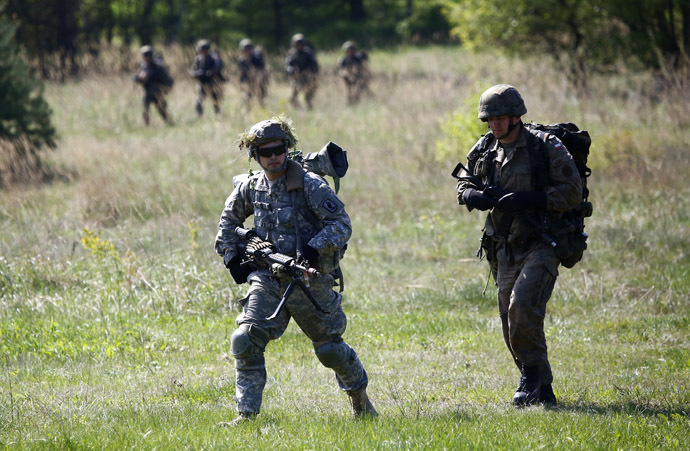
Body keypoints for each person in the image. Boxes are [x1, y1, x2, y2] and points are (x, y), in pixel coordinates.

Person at [215, 117, 377, 426]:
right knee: (244, 340)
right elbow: (227, 224)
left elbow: (341, 224)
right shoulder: (250, 186)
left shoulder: (309, 185)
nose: (273, 156)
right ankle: (246, 416)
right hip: (268, 277)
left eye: (279, 149)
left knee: (330, 349)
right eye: (266, 152)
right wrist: (233, 259)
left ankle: (360, 401)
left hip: (307, 279)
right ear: (255, 156)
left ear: (287, 149)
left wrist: (314, 249)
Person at [456, 85, 582, 406]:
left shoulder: (545, 147)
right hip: (503, 245)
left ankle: (530, 378)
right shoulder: (486, 147)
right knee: (511, 321)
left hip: (542, 240)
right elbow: (464, 181)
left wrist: (532, 199)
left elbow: (572, 191)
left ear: (516, 116)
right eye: (489, 119)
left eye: (500, 118)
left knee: (523, 305)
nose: (494, 125)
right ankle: (541, 387)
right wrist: (474, 196)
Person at [134, 45, 173, 126]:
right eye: (144, 56)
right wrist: (138, 78)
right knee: (145, 109)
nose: (146, 58)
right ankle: (146, 126)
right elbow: (140, 78)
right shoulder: (143, 66)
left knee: (162, 110)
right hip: (148, 92)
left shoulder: (158, 67)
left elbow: (167, 80)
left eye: (147, 55)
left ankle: (169, 123)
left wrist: (165, 90)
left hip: (158, 92)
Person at [191, 39, 224, 116]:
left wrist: (210, 72)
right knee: (198, 101)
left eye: (205, 50)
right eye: (202, 50)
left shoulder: (214, 58)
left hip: (213, 82)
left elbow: (218, 67)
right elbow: (193, 71)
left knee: (215, 100)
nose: (204, 52)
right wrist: (198, 73)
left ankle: (218, 114)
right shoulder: (198, 59)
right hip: (202, 83)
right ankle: (200, 115)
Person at [285, 33, 319, 109]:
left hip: (307, 76)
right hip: (297, 77)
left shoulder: (308, 53)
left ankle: (309, 105)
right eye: (297, 44)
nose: (299, 46)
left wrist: (312, 73)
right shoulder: (292, 53)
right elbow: (288, 64)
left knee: (309, 95)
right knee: (294, 95)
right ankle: (298, 108)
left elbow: (314, 65)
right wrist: (291, 70)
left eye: (301, 44)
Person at [238, 38, 268, 110]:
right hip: (248, 84)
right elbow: (242, 73)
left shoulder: (257, 58)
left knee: (261, 100)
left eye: (248, 49)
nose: (247, 51)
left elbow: (262, 70)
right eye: (245, 49)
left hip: (258, 83)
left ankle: (263, 113)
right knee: (247, 100)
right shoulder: (242, 60)